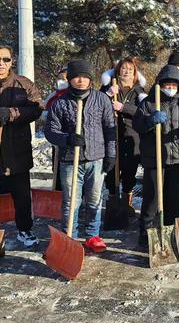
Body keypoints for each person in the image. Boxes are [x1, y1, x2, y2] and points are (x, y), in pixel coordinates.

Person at [45, 59, 116, 253]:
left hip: (96, 157)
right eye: (77, 77)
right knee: (71, 201)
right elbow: (50, 131)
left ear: (90, 79)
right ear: (69, 79)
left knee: (94, 200)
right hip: (70, 160)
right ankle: (70, 236)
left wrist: (111, 155)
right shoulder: (60, 102)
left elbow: (110, 130)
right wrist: (67, 139)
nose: (81, 80)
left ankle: (92, 235)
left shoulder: (102, 99)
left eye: (85, 77)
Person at [133, 65, 179, 247]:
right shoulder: (149, 103)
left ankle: (168, 232)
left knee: (172, 199)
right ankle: (146, 234)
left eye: (174, 85)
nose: (171, 88)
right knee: (151, 200)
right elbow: (138, 125)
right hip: (155, 159)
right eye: (167, 84)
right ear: (160, 85)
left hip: (176, 158)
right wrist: (150, 120)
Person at [0, 44, 43, 247]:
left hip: (17, 150)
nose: (1, 63)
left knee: (22, 194)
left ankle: (24, 230)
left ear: (12, 61)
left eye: (6, 59)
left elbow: (37, 109)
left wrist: (11, 113)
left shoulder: (23, 84)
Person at [101, 58, 147, 215]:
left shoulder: (139, 91)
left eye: (130, 69)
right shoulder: (109, 88)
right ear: (118, 70)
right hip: (112, 135)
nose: (126, 72)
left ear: (134, 73)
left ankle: (127, 202)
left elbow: (143, 112)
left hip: (132, 136)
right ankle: (113, 201)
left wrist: (123, 108)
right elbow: (97, 105)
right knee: (112, 170)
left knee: (129, 172)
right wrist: (107, 95)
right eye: (123, 68)